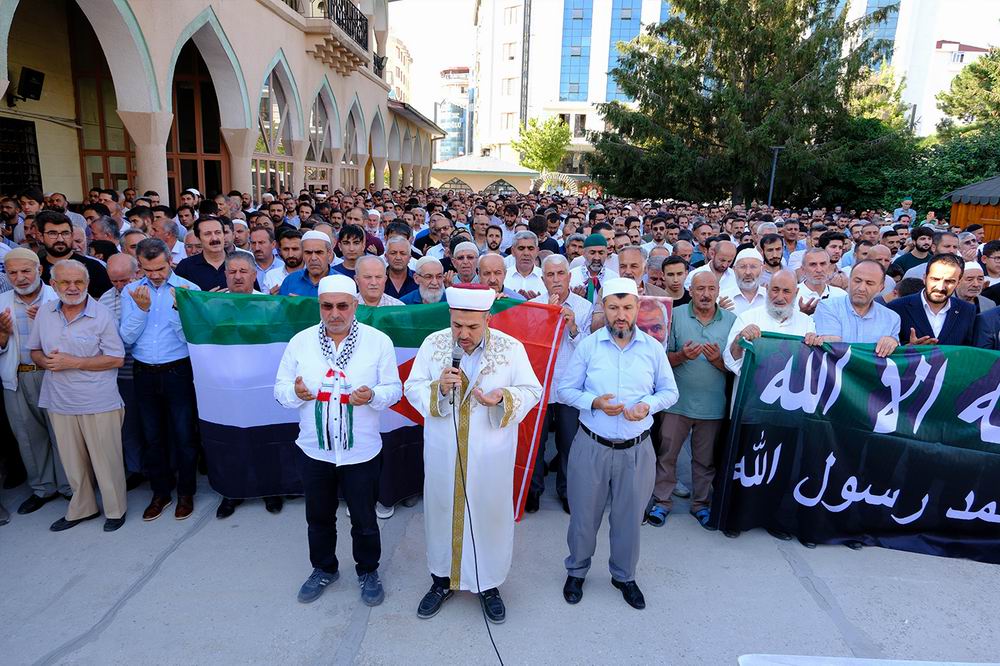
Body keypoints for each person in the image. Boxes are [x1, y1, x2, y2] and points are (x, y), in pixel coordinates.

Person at [404, 284, 542, 624]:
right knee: (442, 511)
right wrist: (437, 389)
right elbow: (412, 386)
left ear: (488, 319)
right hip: (443, 452)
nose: (463, 334)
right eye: (457, 325)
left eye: (472, 327)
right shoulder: (434, 345)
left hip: (490, 455)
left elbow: (532, 390)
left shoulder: (510, 349)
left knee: (488, 516)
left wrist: (503, 398)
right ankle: (441, 580)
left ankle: (488, 584)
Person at [274, 275, 402, 606]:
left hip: (360, 450)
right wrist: (295, 393)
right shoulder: (301, 342)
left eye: (342, 306)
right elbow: (280, 388)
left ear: (355, 306)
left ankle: (368, 570)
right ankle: (324, 568)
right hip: (315, 450)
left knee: (364, 519)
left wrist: (372, 395)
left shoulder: (377, 342)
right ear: (319, 306)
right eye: (327, 306)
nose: (334, 313)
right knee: (318, 517)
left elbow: (394, 389)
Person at [558, 277, 678, 610]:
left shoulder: (653, 349)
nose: (620, 315)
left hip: (637, 449)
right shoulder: (588, 346)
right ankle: (577, 571)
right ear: (604, 309)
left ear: (638, 308)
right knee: (583, 517)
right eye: (613, 307)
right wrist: (595, 403)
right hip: (591, 446)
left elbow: (669, 392)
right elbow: (566, 390)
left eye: (627, 307)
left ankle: (624, 576)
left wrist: (648, 407)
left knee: (629, 519)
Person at [29, 259, 126, 532]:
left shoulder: (101, 314)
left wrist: (74, 362)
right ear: (53, 284)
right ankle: (82, 509)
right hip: (59, 399)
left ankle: (115, 509)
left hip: (98, 400)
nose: (72, 287)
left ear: (87, 284)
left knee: (106, 459)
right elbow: (34, 350)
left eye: (79, 282)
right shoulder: (45, 313)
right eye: (65, 282)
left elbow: (117, 358)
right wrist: (44, 362)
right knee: (72, 463)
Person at [120, 239, 201, 521]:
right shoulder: (131, 291)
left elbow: (192, 340)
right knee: (152, 437)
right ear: (139, 265)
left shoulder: (188, 290)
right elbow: (126, 339)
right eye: (148, 269)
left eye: (160, 268)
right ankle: (161, 493)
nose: (155, 275)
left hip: (178, 371)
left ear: (170, 261)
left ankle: (186, 492)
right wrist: (141, 311)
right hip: (143, 372)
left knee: (183, 436)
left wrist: (181, 312)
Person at [646, 271, 735, 529]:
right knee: (667, 455)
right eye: (700, 289)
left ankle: (701, 505)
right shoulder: (676, 315)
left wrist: (718, 360)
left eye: (710, 288)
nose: (705, 294)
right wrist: (682, 356)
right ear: (691, 291)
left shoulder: (730, 320)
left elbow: (735, 366)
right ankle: (662, 503)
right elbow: (662, 359)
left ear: (718, 291)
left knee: (704, 461)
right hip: (677, 403)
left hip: (712, 406)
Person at [0, 248, 69, 515]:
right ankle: (43, 489)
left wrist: (49, 322)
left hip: (54, 374)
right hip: (17, 376)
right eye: (12, 272)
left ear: (39, 270)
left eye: (25, 271)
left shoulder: (59, 297)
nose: (20, 277)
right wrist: (3, 335)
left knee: (62, 434)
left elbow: (78, 339)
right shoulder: (1, 301)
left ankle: (70, 488)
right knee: (28, 436)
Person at [526, 254, 592, 515]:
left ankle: (567, 491)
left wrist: (572, 326)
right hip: (540, 386)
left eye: (560, 274)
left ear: (569, 276)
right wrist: (545, 320)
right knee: (536, 443)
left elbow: (587, 350)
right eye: (550, 275)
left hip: (570, 386)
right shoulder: (533, 306)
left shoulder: (584, 307)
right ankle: (533, 491)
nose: (555, 280)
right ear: (542, 279)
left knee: (569, 443)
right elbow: (529, 346)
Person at [98, 253, 144, 489]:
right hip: (122, 375)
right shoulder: (104, 300)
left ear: (137, 273)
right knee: (129, 426)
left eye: (124, 280)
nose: (119, 286)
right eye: (114, 281)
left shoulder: (149, 293)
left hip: (149, 369)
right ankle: (136, 469)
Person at [724, 270, 818, 376]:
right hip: (753, 390)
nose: (779, 297)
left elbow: (811, 367)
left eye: (786, 291)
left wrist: (814, 345)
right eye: (775, 290)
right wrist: (739, 340)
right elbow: (729, 364)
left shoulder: (806, 322)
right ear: (767, 289)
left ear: (796, 293)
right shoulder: (747, 318)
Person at [813, 260, 901, 357]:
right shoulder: (827, 307)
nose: (861, 288)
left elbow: (894, 358)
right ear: (849, 281)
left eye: (869, 283)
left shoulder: (892, 318)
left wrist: (893, 342)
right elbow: (832, 350)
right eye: (857, 281)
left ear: (881, 288)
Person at [887, 254, 975, 346]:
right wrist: (907, 349)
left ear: (958, 283)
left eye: (949, 281)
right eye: (935, 279)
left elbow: (969, 353)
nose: (940, 287)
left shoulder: (967, 311)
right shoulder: (897, 308)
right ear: (924, 278)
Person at [36, 211, 112, 297]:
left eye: (65, 233)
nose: (60, 239)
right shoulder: (34, 270)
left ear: (72, 235)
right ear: (41, 237)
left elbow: (107, 302)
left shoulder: (94, 268)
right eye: (53, 233)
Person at [175, 217, 229, 291]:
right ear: (198, 238)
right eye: (207, 234)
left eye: (218, 232)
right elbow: (179, 298)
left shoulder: (241, 261)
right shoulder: (185, 267)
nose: (214, 238)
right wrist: (205, 300)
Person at [279, 230, 336, 297]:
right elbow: (282, 307)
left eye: (319, 252)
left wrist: (304, 304)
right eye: (308, 253)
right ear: (302, 254)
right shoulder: (290, 280)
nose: (313, 258)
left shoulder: (342, 282)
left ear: (329, 253)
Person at [570, 234, 619, 302]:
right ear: (584, 254)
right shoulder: (571, 277)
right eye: (592, 253)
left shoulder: (614, 278)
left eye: (601, 253)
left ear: (606, 254)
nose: (597, 258)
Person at [796, 248, 846, 315]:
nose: (819, 270)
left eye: (822, 264)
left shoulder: (841, 295)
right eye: (813, 264)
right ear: (803, 269)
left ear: (828, 267)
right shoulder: (793, 295)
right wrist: (802, 314)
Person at [721, 248, 767, 315]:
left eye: (753, 267)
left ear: (762, 269)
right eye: (742, 267)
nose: (748, 272)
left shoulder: (770, 297)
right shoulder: (723, 297)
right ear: (734, 270)